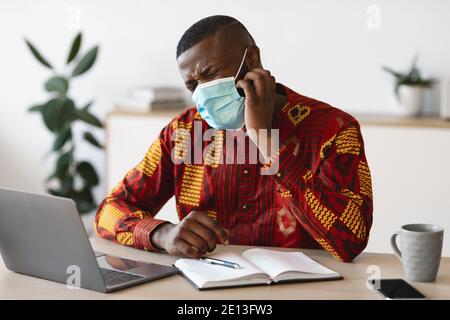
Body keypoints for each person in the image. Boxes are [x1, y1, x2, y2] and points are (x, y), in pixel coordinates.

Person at [95, 15, 373, 262]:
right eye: (192, 85)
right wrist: (163, 234)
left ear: (252, 59)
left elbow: (351, 240)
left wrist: (266, 142)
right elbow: (108, 213)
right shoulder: (185, 132)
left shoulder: (332, 129)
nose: (203, 91)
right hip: (206, 288)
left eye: (211, 74)